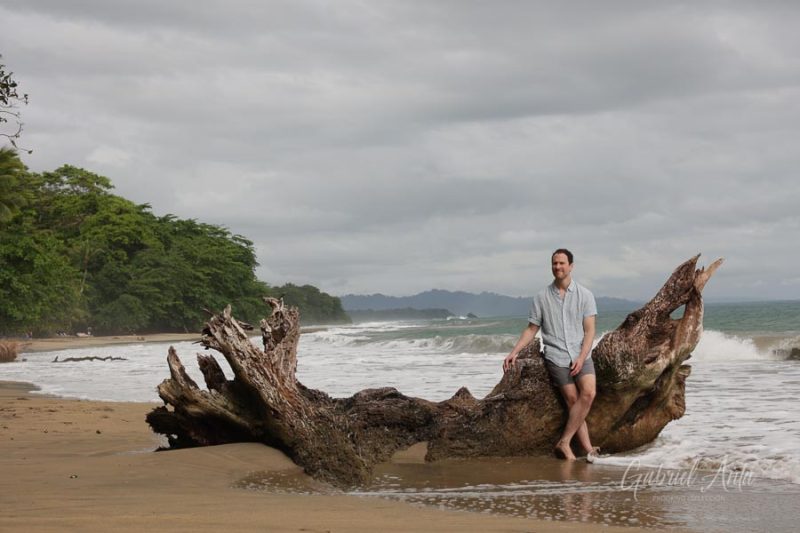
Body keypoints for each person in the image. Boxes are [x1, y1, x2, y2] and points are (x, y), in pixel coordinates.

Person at [503, 248, 599, 461]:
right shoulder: (541, 297)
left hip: (580, 354)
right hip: (556, 357)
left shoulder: (585, 295)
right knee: (573, 400)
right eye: (554, 263)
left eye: (562, 263)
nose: (558, 267)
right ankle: (588, 449)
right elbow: (531, 329)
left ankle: (564, 442)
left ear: (571, 266)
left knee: (589, 393)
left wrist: (582, 357)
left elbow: (590, 331)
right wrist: (514, 352)